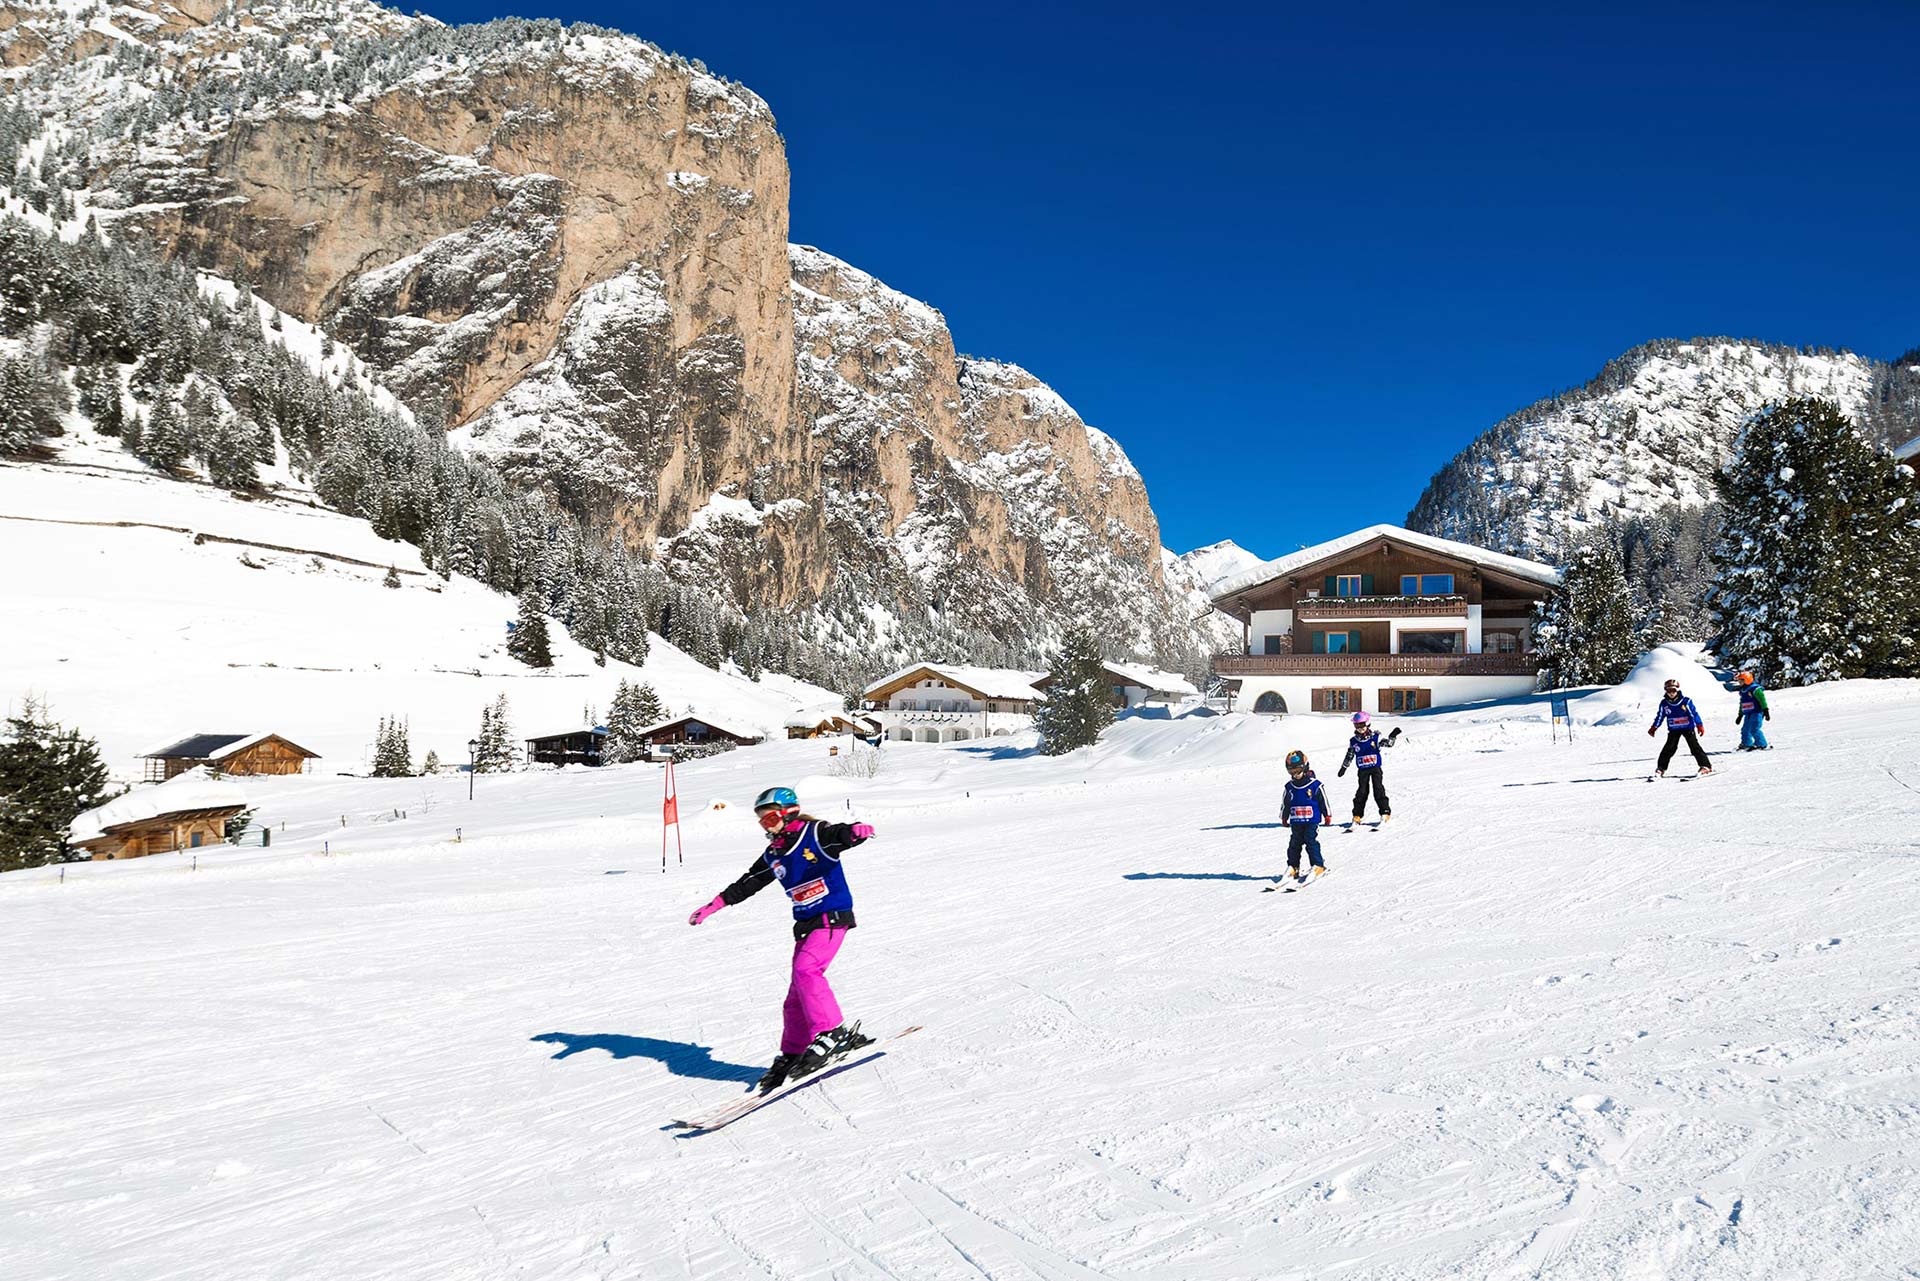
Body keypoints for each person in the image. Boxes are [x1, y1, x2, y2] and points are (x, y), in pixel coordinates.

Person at [687, 786, 876, 1092]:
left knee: (807, 971)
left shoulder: (814, 833)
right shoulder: (774, 853)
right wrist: (715, 905)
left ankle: (833, 1032)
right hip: (805, 924)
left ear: (788, 813)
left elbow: (838, 835)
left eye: (771, 817)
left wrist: (855, 832)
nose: (768, 824)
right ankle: (793, 1053)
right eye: (762, 821)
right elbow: (748, 882)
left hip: (831, 917)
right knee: (794, 999)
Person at [1336, 710, 1401, 824]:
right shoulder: (1354, 741)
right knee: (1362, 791)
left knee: (1378, 789)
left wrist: (1392, 736)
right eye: (1357, 725)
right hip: (1362, 770)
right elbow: (1350, 755)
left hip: (1375, 768)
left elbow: (1389, 744)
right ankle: (1357, 815)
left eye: (1362, 725)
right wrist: (1344, 767)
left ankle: (1385, 812)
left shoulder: (1375, 737)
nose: (1360, 728)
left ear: (1368, 724)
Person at [1280, 749, 1333, 879]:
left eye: (1297, 770)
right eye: (1291, 771)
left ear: (1305, 767)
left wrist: (1327, 815)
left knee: (1311, 842)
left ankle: (1318, 865)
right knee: (1294, 844)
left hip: (1311, 821)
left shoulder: (1315, 785)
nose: (1295, 774)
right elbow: (1285, 803)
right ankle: (1293, 867)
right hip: (1296, 821)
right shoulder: (1289, 787)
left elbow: (1323, 801)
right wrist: (1284, 817)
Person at [1647, 678, 1712, 777]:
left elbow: (1694, 714)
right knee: (1669, 748)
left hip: (1687, 728)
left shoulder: (1685, 701)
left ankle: (1705, 766)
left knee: (1694, 747)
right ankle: (1661, 768)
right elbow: (1660, 716)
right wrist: (1654, 727)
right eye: (1669, 691)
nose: (1671, 693)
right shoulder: (1664, 703)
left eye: (1673, 690)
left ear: (1677, 690)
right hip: (1674, 729)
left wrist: (1699, 725)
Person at [1724, 671, 1771, 751]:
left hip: (1757, 712)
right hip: (1748, 713)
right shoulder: (1743, 691)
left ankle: (1761, 744)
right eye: (1739, 681)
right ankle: (1746, 743)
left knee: (1755, 728)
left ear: (1747, 680)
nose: (1739, 683)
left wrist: (1765, 710)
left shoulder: (1755, 689)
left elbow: (1762, 700)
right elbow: (1742, 703)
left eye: (1741, 681)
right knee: (1745, 729)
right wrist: (1740, 715)